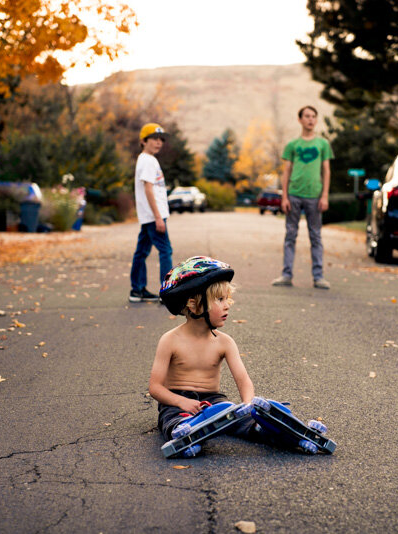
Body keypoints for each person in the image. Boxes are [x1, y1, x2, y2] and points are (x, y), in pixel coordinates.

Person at [149, 256, 260, 450]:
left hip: (213, 401)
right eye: (219, 299)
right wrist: (181, 402)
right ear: (193, 304)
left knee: (235, 416)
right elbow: (155, 388)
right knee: (172, 418)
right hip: (177, 400)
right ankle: (184, 433)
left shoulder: (224, 342)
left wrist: (248, 404)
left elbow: (243, 380)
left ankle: (265, 429)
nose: (227, 305)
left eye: (227, 299)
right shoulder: (170, 340)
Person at [273, 105, 334, 290]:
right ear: (300, 119)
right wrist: (284, 197)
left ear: (316, 120)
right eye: (307, 116)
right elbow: (286, 171)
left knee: (315, 236)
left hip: (314, 197)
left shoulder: (323, 144)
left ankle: (318, 277)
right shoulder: (293, 145)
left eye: (313, 116)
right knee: (290, 235)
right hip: (294, 195)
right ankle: (286, 275)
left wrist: (324, 195)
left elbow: (326, 170)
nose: (310, 119)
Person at [129, 123, 173, 303]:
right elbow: (148, 189)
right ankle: (167, 293)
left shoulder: (147, 159)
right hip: (153, 215)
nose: (159, 142)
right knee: (165, 250)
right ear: (143, 141)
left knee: (141, 251)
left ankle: (137, 290)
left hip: (149, 215)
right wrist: (157, 217)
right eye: (154, 138)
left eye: (161, 139)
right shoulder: (147, 160)